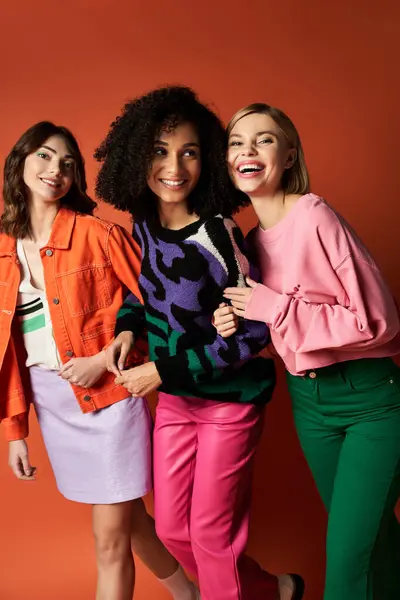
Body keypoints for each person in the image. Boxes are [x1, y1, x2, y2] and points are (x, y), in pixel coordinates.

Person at [95, 86, 304, 600]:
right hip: (177, 403)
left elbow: (253, 334)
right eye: (162, 151)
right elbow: (140, 295)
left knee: (212, 536)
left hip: (230, 403)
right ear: (138, 156)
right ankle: (273, 589)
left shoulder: (217, 234)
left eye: (189, 151)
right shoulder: (142, 226)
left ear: (206, 160)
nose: (175, 166)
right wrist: (128, 328)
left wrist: (161, 372)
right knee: (172, 531)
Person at [0, 121, 199, 600]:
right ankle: (193, 594)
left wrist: (106, 359)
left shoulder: (97, 234)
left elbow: (159, 308)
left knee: (108, 542)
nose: (56, 170)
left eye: (68, 163)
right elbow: (10, 352)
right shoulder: (3, 249)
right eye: (45, 157)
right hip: (52, 403)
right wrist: (15, 431)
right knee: (132, 524)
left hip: (110, 399)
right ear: (20, 163)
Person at [213, 102, 400, 600]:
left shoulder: (315, 215)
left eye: (264, 139)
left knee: (346, 556)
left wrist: (270, 305)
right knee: (374, 542)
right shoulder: (248, 242)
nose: (247, 150)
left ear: (290, 154)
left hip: (369, 403)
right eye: (236, 141)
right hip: (309, 405)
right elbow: (290, 338)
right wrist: (241, 326)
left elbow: (375, 322)